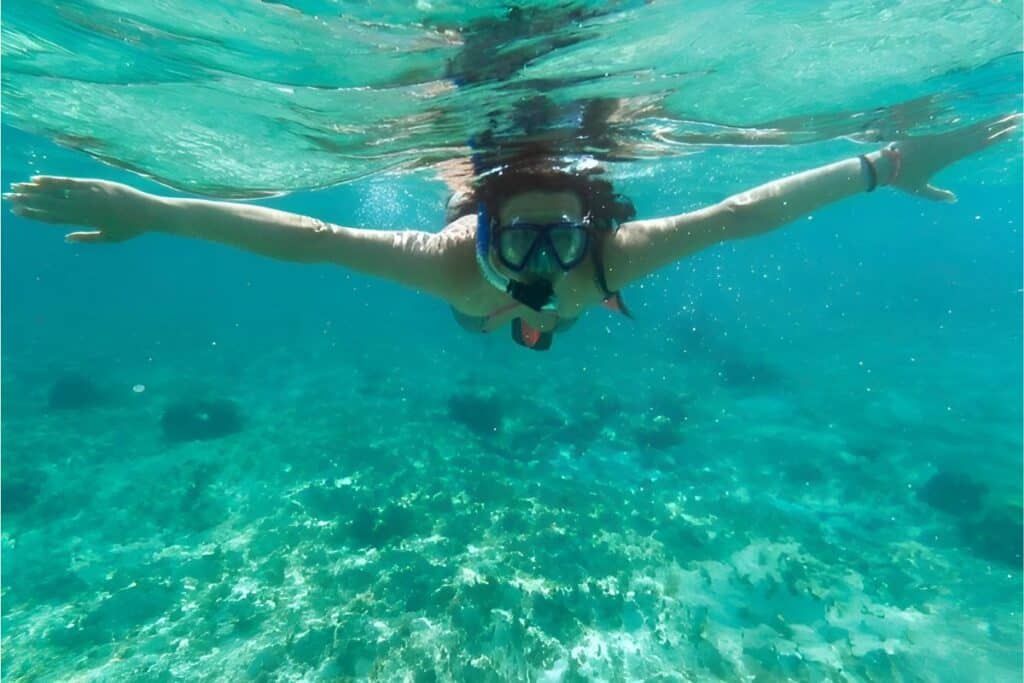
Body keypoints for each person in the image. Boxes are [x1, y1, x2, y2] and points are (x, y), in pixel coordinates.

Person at [5, 114, 1019, 350]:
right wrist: (878, 167)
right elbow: (736, 215)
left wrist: (152, 213)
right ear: (481, 216)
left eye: (557, 240)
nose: (544, 261)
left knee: (485, 315)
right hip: (535, 161)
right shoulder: (598, 261)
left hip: (489, 271)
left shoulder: (470, 268)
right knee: (490, 315)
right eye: (529, 241)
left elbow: (307, 239)